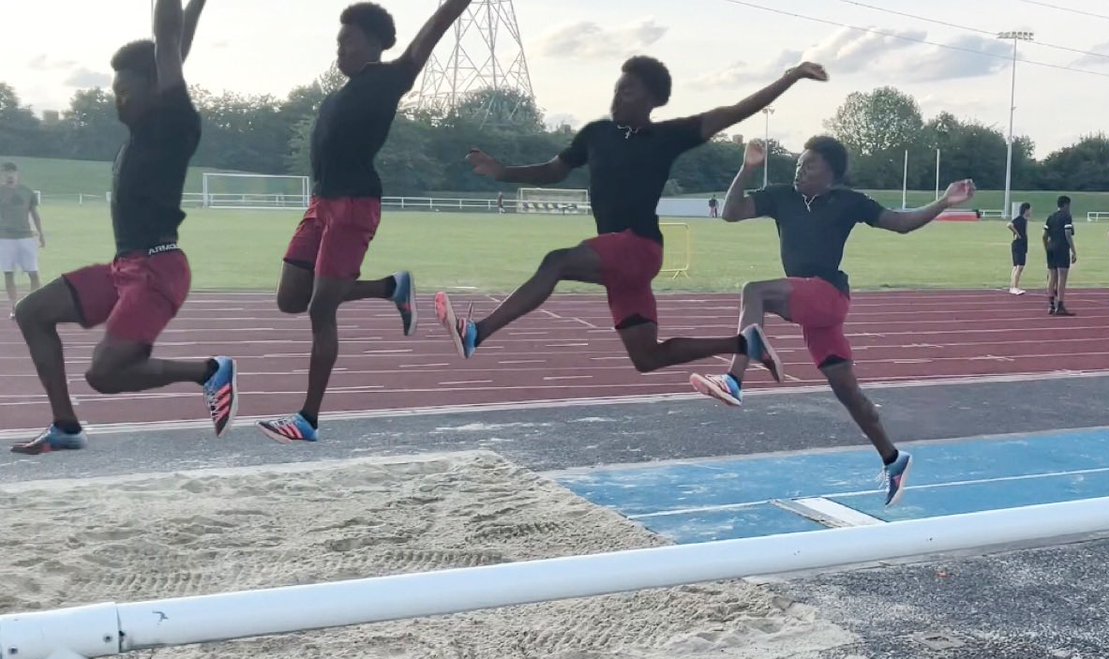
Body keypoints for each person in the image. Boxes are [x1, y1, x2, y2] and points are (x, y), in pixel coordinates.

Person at [434, 59, 835, 378]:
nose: (617, 96)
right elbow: (554, 170)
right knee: (647, 358)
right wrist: (504, 171)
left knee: (557, 261)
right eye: (616, 88)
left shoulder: (668, 137)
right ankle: (744, 344)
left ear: (652, 99)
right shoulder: (595, 134)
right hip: (618, 259)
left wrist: (792, 76)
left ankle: (477, 333)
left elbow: (735, 111)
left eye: (628, 89)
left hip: (638, 247)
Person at [688, 137, 976, 507]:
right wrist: (748, 168)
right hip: (811, 310)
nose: (800, 170)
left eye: (810, 166)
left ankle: (734, 378)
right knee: (847, 391)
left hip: (828, 295)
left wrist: (944, 202)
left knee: (754, 291)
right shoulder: (781, 196)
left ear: (832, 175)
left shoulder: (849, 202)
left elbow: (900, 223)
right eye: (798, 163)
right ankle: (893, 460)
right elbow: (731, 212)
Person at [10, 0, 234, 454]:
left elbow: (169, 42)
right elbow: (173, 48)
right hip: (124, 269)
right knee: (31, 312)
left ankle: (209, 372)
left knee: (104, 374)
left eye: (126, 93)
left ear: (155, 90)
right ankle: (66, 427)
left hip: (157, 270)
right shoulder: (147, 127)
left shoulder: (174, 124)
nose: (118, 103)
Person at [257, 1, 473, 444]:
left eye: (348, 40)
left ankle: (307, 419)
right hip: (321, 205)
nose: (339, 49)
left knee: (321, 307)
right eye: (337, 41)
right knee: (291, 297)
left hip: (354, 206)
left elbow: (432, 29)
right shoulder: (336, 95)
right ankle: (390, 288)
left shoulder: (390, 78)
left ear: (374, 43)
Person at [0, 162, 45, 317]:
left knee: (33, 272)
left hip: (26, 237)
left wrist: (41, 234)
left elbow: (34, 214)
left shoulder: (27, 192)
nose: (9, 175)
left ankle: (31, 307)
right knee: (8, 273)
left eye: (12, 172)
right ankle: (14, 307)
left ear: (17, 174)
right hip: (5, 238)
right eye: (6, 172)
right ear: (2, 174)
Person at [1043, 195, 1077, 316]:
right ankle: (1060, 305)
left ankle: (1051, 305)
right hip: (1061, 248)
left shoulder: (1051, 217)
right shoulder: (1067, 216)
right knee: (1062, 278)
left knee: (1052, 276)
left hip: (1051, 247)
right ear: (1066, 205)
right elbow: (1068, 233)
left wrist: (1046, 247)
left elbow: (1044, 235)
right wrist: (1073, 250)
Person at [1007, 202, 1030, 295]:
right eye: (1030, 209)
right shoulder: (1020, 219)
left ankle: (1012, 286)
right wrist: (1017, 233)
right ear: (1026, 210)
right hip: (1018, 245)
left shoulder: (1025, 220)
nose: (1031, 211)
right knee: (1019, 266)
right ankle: (1015, 287)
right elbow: (1009, 225)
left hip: (1021, 245)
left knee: (1016, 266)